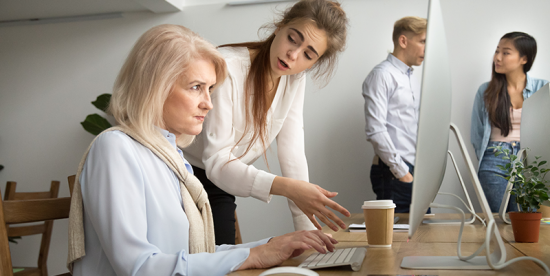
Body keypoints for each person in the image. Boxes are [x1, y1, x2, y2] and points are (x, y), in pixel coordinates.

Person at [67, 24, 338, 276]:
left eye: (210, 89)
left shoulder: (171, 159)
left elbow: (196, 255)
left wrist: (273, 245)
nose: (208, 103)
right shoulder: (115, 148)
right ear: (155, 86)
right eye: (196, 87)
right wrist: (255, 254)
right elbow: (139, 267)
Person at [183, 0, 350, 244]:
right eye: (293, 38)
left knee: (229, 257)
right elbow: (217, 160)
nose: (293, 55)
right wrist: (287, 187)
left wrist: (309, 231)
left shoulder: (294, 79)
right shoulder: (228, 67)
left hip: (223, 180)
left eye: (308, 54)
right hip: (186, 172)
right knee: (216, 261)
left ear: (314, 63)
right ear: (279, 27)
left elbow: (292, 153)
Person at [471, 32, 548, 213]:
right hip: (494, 159)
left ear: (524, 58)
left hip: (530, 160)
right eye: (497, 51)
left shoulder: (543, 88)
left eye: (506, 53)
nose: (497, 57)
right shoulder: (486, 91)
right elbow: (477, 134)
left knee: (528, 221)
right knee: (500, 220)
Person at [361, 16, 426, 213]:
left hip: (414, 169)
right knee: (398, 241)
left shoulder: (412, 78)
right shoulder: (382, 75)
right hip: (395, 171)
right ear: (403, 41)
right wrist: (402, 172)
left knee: (422, 237)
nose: (426, 49)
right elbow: (375, 131)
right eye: (423, 41)